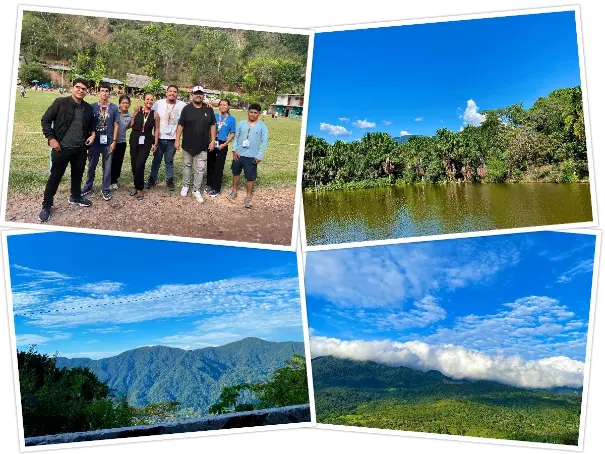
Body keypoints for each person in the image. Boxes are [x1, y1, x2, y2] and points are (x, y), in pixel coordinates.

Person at [39, 78, 96, 222]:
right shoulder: (60, 103)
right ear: (72, 88)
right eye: (78, 87)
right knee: (55, 178)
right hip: (61, 149)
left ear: (86, 91)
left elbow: (92, 126)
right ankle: (47, 205)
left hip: (80, 149)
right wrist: (51, 139)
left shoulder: (88, 108)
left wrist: (93, 134)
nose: (80, 90)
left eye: (84, 89)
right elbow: (45, 120)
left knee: (77, 176)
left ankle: (76, 197)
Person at [176, 86, 216, 203]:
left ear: (203, 95)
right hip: (188, 145)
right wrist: (177, 140)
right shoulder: (186, 109)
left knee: (200, 169)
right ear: (192, 95)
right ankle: (185, 185)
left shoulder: (209, 110)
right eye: (196, 93)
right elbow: (180, 125)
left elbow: (213, 125)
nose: (198, 95)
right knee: (187, 166)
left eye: (200, 93)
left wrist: (213, 140)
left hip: (203, 146)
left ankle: (196, 189)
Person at [81, 82, 119, 201]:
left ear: (109, 93)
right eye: (102, 91)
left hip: (108, 142)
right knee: (91, 165)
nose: (104, 93)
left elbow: (116, 124)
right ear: (99, 93)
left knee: (107, 167)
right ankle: (88, 186)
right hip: (95, 142)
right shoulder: (92, 107)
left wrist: (114, 140)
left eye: (107, 91)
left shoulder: (113, 108)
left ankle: (106, 189)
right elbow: (87, 123)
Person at [146, 85, 187, 190]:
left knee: (169, 160)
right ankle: (152, 179)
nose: (172, 93)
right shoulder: (158, 103)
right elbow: (148, 109)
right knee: (156, 160)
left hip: (172, 139)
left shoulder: (182, 105)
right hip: (159, 138)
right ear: (166, 93)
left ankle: (169, 180)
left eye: (175, 92)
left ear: (177, 94)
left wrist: (206, 104)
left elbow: (194, 107)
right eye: (170, 91)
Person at [227, 103, 268, 209]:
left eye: (255, 113)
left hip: (252, 156)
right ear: (248, 112)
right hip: (239, 154)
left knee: (250, 177)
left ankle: (248, 197)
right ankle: (234, 191)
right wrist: (234, 149)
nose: (253, 114)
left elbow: (264, 142)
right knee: (236, 173)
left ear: (259, 114)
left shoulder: (262, 126)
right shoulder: (241, 124)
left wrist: (259, 156)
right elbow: (235, 138)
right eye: (251, 112)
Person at [129, 93, 159, 200]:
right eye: (147, 99)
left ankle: (140, 188)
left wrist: (155, 143)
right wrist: (134, 112)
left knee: (140, 164)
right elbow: (131, 124)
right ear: (143, 100)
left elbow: (156, 130)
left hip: (146, 141)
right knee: (134, 163)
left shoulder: (155, 114)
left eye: (152, 100)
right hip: (134, 138)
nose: (149, 101)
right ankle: (136, 186)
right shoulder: (138, 110)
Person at [206, 99, 236, 198]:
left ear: (228, 107)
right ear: (219, 106)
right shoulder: (214, 116)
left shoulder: (231, 119)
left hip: (222, 143)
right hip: (213, 141)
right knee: (210, 164)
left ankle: (216, 188)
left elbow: (232, 133)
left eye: (225, 105)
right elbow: (210, 129)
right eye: (221, 105)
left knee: (219, 166)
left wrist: (225, 144)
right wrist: (211, 141)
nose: (223, 107)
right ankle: (209, 184)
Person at [109, 95, 132, 190]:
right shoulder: (115, 112)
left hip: (121, 142)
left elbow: (130, 126)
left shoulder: (130, 116)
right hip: (111, 141)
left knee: (118, 163)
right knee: (109, 162)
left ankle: (114, 181)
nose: (125, 105)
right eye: (123, 102)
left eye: (127, 103)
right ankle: (107, 181)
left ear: (129, 104)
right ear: (119, 104)